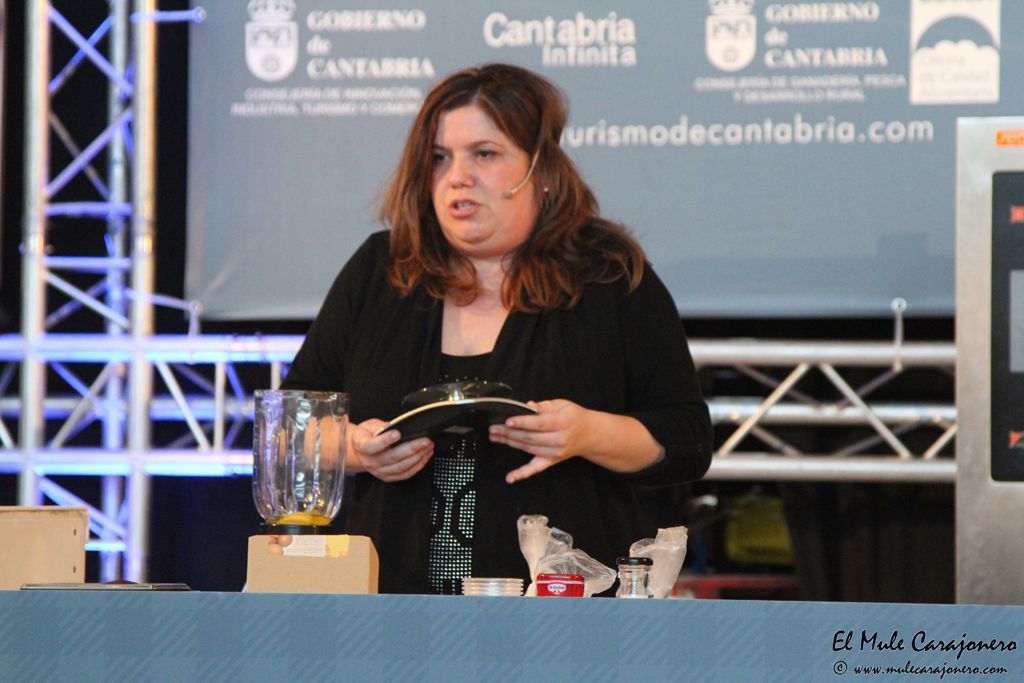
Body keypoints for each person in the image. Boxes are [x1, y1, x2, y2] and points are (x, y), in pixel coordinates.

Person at [281, 63, 712, 594]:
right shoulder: (381, 270)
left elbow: (686, 441)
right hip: (389, 610)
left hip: (557, 615)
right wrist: (354, 447)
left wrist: (587, 433)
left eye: (484, 154)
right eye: (440, 158)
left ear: (540, 168)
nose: (458, 176)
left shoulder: (607, 275)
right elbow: (292, 426)